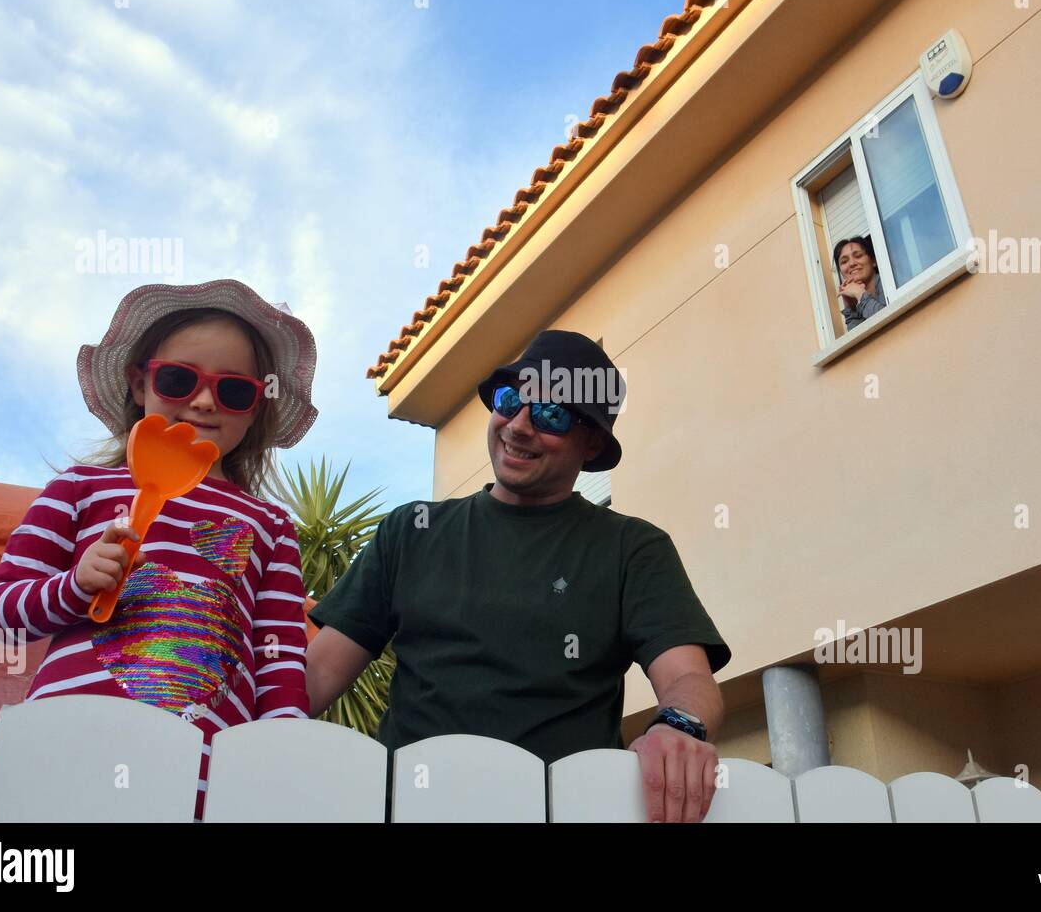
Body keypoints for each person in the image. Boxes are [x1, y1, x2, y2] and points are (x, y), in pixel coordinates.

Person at [307, 329, 731, 822]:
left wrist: (678, 727)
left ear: (591, 442)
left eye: (551, 413)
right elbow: (315, 674)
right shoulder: (411, 531)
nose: (520, 425)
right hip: (406, 810)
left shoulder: (632, 548)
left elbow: (687, 676)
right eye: (511, 401)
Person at [0, 279, 318, 817]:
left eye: (233, 390)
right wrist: (76, 585)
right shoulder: (80, 488)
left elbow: (279, 663)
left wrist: (279, 757)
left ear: (256, 406)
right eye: (179, 380)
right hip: (63, 752)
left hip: (203, 781)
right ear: (140, 383)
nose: (205, 401)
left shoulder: (270, 525)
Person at [834, 235, 886, 329]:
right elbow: (860, 340)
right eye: (844, 261)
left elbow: (888, 320)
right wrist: (851, 307)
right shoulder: (857, 300)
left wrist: (860, 294)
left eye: (858, 256)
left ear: (873, 260)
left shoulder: (890, 283)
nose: (852, 263)